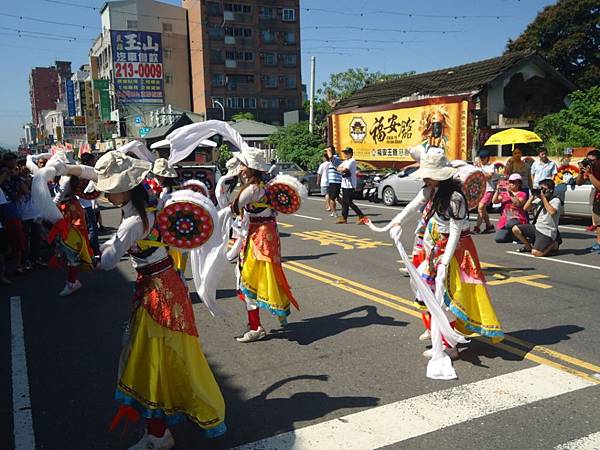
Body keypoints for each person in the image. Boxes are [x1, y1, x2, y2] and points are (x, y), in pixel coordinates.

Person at [77, 152, 226, 449]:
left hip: (157, 294)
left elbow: (108, 261)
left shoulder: (133, 221)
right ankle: (159, 429)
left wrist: (93, 258)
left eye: (109, 188)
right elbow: (91, 175)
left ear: (124, 189)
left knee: (150, 361)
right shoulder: (153, 205)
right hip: (167, 283)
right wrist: (70, 167)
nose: (105, 192)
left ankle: (158, 434)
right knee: (167, 357)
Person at [380, 150, 503, 362]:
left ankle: (450, 346)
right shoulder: (431, 189)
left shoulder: (455, 197)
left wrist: (445, 261)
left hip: (454, 252)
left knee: (446, 299)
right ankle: (435, 329)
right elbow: (414, 205)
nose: (425, 179)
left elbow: (455, 230)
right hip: (435, 248)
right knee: (421, 287)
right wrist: (397, 221)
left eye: (429, 175)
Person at [232, 149, 299, 342]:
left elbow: (233, 208)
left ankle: (255, 327)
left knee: (246, 280)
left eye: (244, 165)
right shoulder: (266, 187)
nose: (241, 169)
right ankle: (267, 318)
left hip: (257, 238)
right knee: (264, 277)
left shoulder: (251, 190)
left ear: (251, 169)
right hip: (268, 236)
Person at [512, 179, 562, 257]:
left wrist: (543, 198)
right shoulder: (539, 200)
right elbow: (526, 208)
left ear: (551, 190)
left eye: (544, 189)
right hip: (536, 227)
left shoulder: (555, 200)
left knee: (536, 253)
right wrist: (532, 196)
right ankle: (528, 246)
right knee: (515, 229)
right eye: (541, 189)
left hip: (547, 231)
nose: (542, 191)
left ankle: (553, 243)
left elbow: (552, 212)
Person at [575, 150, 600, 251]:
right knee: (598, 223)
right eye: (588, 160)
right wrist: (581, 172)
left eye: (592, 161)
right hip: (598, 198)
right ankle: (599, 243)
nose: (590, 163)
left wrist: (589, 174)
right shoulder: (591, 169)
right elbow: (579, 183)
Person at [335, 147, 368, 224]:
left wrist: (342, 169)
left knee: (348, 201)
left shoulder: (352, 161)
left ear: (351, 154)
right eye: (345, 153)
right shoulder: (346, 161)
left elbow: (344, 169)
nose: (345, 154)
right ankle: (344, 218)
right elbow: (338, 168)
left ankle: (362, 216)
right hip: (344, 184)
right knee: (344, 202)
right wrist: (341, 169)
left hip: (350, 185)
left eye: (347, 153)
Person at [492, 174, 528, 243]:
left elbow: (518, 203)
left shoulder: (522, 194)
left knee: (510, 223)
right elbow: (494, 201)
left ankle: (518, 235)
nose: (511, 184)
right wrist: (497, 191)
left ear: (519, 183)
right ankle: (512, 235)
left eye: (514, 182)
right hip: (505, 219)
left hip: (517, 218)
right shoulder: (504, 194)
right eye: (510, 182)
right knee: (499, 238)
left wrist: (510, 193)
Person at [78, 153, 100, 255]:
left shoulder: (78, 171)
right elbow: (87, 190)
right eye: (92, 161)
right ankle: (93, 250)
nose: (94, 162)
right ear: (87, 162)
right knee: (92, 228)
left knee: (87, 228)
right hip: (85, 205)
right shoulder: (86, 173)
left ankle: (89, 249)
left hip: (82, 204)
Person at [473, 150, 497, 234]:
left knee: (481, 207)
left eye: (484, 158)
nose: (482, 159)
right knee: (483, 209)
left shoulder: (491, 166)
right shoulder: (477, 166)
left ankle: (477, 227)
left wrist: (481, 169)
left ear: (487, 158)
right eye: (481, 158)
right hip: (479, 189)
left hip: (488, 189)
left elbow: (489, 176)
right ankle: (489, 226)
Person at [326, 146, 342, 217]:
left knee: (332, 198)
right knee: (336, 197)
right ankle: (346, 206)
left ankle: (334, 212)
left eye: (329, 150)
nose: (327, 152)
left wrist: (328, 150)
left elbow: (330, 157)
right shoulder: (332, 160)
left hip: (335, 182)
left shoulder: (335, 158)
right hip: (333, 182)